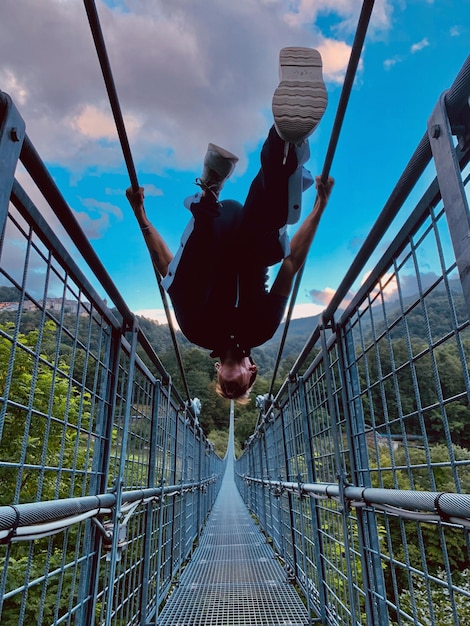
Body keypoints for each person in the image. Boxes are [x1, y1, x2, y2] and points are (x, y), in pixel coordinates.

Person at [126, 47, 334, 402]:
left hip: (215, 232)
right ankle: (286, 139)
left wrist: (140, 215)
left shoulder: (198, 332)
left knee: (181, 292)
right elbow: (292, 264)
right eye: (238, 387)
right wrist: (319, 207)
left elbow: (168, 268)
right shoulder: (264, 328)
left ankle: (209, 189)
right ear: (253, 370)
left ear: (217, 372)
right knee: (267, 239)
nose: (229, 384)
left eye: (224, 387)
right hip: (252, 237)